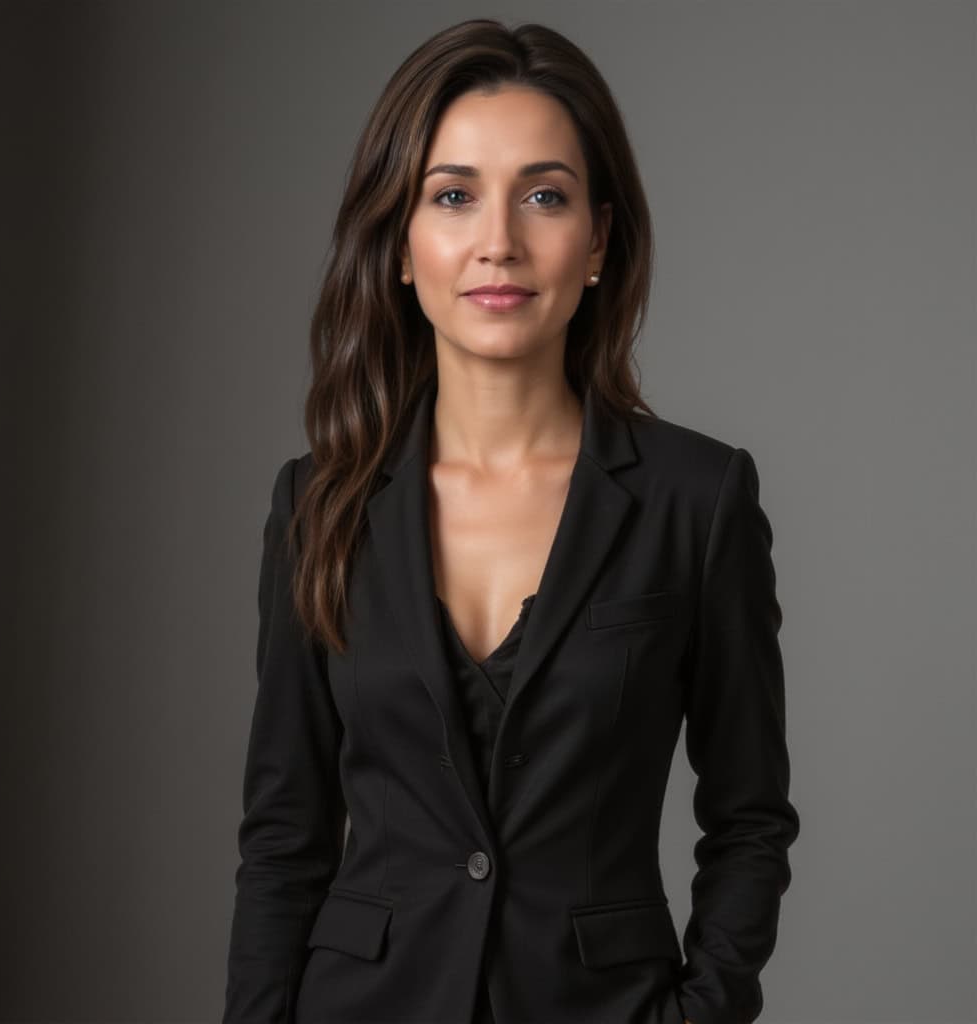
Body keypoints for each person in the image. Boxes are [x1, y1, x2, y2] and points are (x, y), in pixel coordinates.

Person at [223, 18, 800, 1024]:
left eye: (544, 194)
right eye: (452, 195)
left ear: (597, 241)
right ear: (401, 245)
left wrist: (700, 1011)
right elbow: (284, 836)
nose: (499, 240)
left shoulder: (694, 500)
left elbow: (748, 819)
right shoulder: (318, 503)